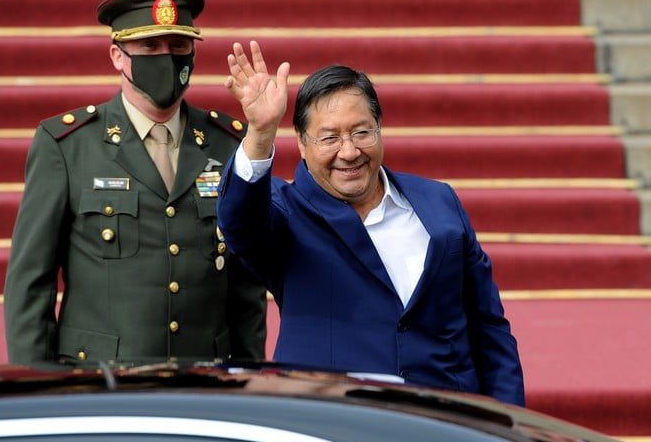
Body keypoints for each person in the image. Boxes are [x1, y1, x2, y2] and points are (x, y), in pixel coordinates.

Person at [217, 41, 525, 406]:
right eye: (329, 138)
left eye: (361, 132)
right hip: (342, 432)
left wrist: (507, 421)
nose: (348, 152)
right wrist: (260, 133)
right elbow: (239, 220)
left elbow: (488, 327)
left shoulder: (439, 202)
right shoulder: (286, 213)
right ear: (301, 143)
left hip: (449, 426)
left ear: (379, 128)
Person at [4, 0, 267, 364]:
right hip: (101, 384)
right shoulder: (67, 144)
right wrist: (38, 388)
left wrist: (248, 376)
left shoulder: (227, 143)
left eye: (178, 47)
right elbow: (30, 283)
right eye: (149, 48)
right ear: (117, 55)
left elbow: (247, 287)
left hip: (205, 381)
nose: (166, 58)